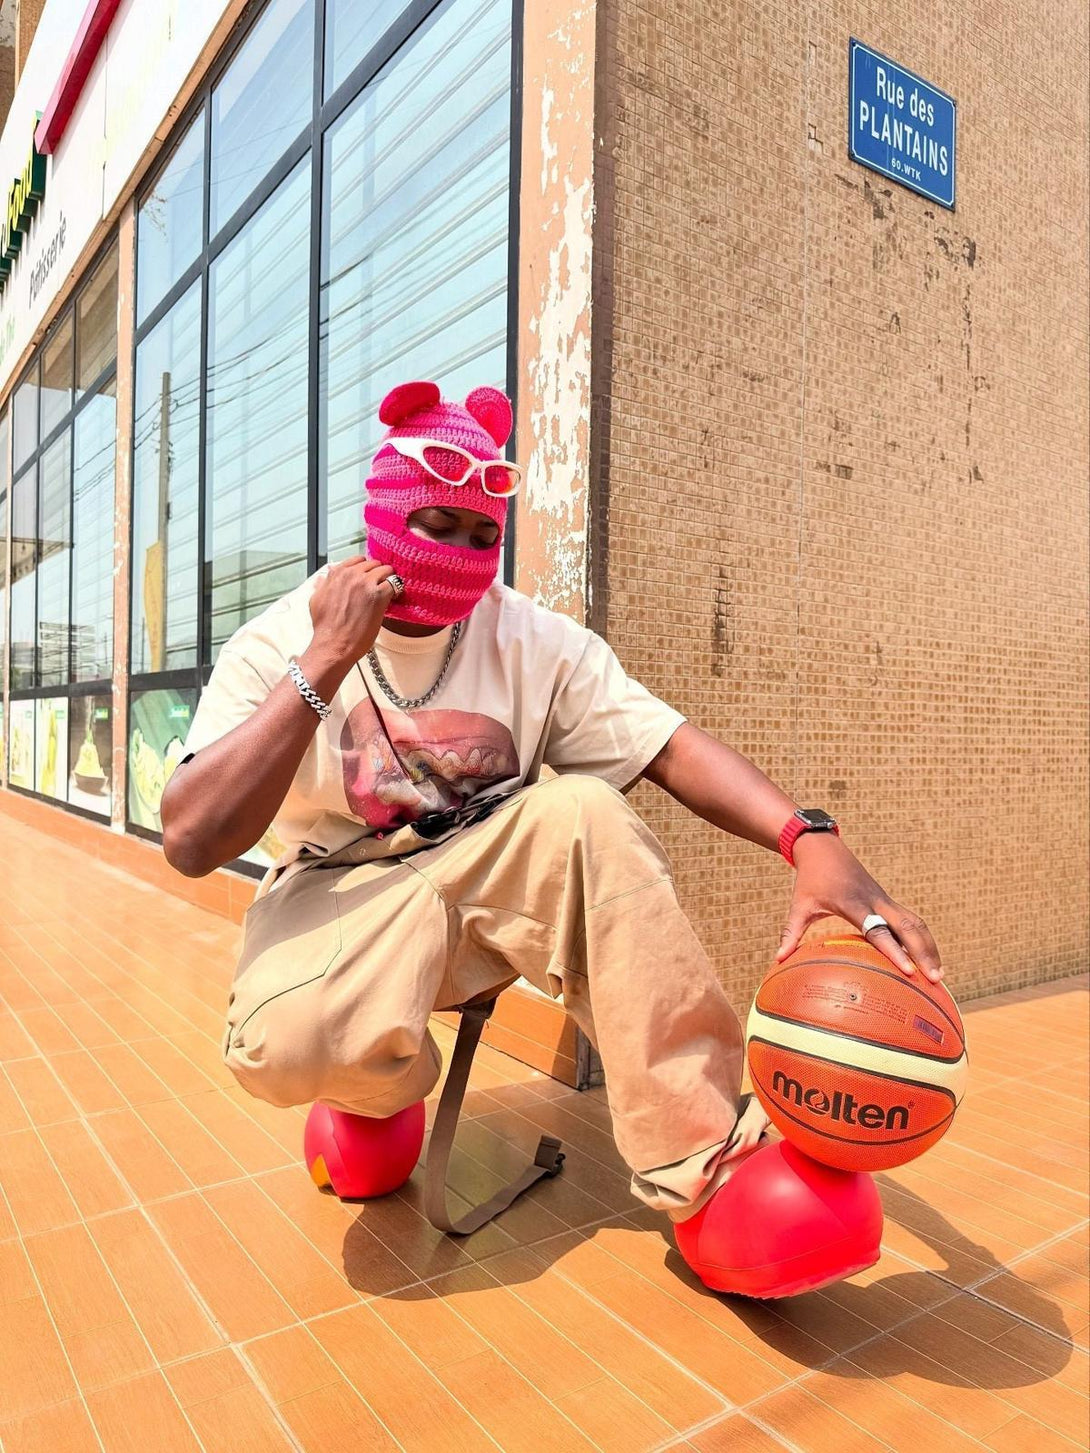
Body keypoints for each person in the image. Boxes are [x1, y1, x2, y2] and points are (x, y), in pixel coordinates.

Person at [161, 379, 943, 1294]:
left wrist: (806, 834)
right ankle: (373, 1089)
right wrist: (324, 660)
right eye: (437, 524)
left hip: (493, 877)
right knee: (284, 1042)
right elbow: (190, 837)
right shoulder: (285, 638)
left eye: (481, 532)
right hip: (343, 893)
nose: (459, 550)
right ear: (384, 511)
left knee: (585, 811)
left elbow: (669, 745)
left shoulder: (535, 641)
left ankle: (706, 1163)